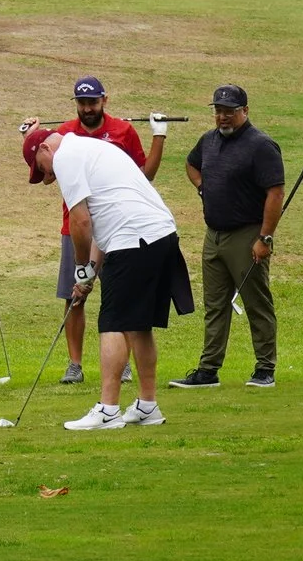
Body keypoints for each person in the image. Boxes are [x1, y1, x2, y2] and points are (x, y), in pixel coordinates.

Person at [22, 125, 192, 430]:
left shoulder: (66, 157)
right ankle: (147, 405)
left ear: (44, 150)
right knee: (138, 326)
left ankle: (108, 410)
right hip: (161, 236)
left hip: (134, 239)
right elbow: (102, 225)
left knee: (112, 322)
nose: (48, 177)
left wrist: (80, 269)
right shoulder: (93, 150)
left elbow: (81, 221)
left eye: (42, 170)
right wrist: (90, 274)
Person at [22, 76, 157, 386]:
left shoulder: (123, 131)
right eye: (81, 103)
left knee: (117, 295)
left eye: (92, 102)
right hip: (76, 228)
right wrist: (32, 133)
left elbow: (143, 175)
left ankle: (121, 363)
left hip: (114, 225)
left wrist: (157, 137)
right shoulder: (65, 134)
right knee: (75, 299)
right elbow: (43, 157)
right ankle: (75, 364)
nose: (87, 108)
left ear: (104, 101)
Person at [169, 83, 287, 389]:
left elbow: (275, 193)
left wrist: (265, 238)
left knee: (256, 302)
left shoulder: (261, 145)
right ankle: (208, 369)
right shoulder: (208, 141)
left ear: (245, 111)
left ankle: (265, 368)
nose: (223, 117)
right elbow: (191, 164)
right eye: (219, 111)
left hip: (247, 234)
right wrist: (201, 187)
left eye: (230, 112)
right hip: (214, 236)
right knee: (215, 305)